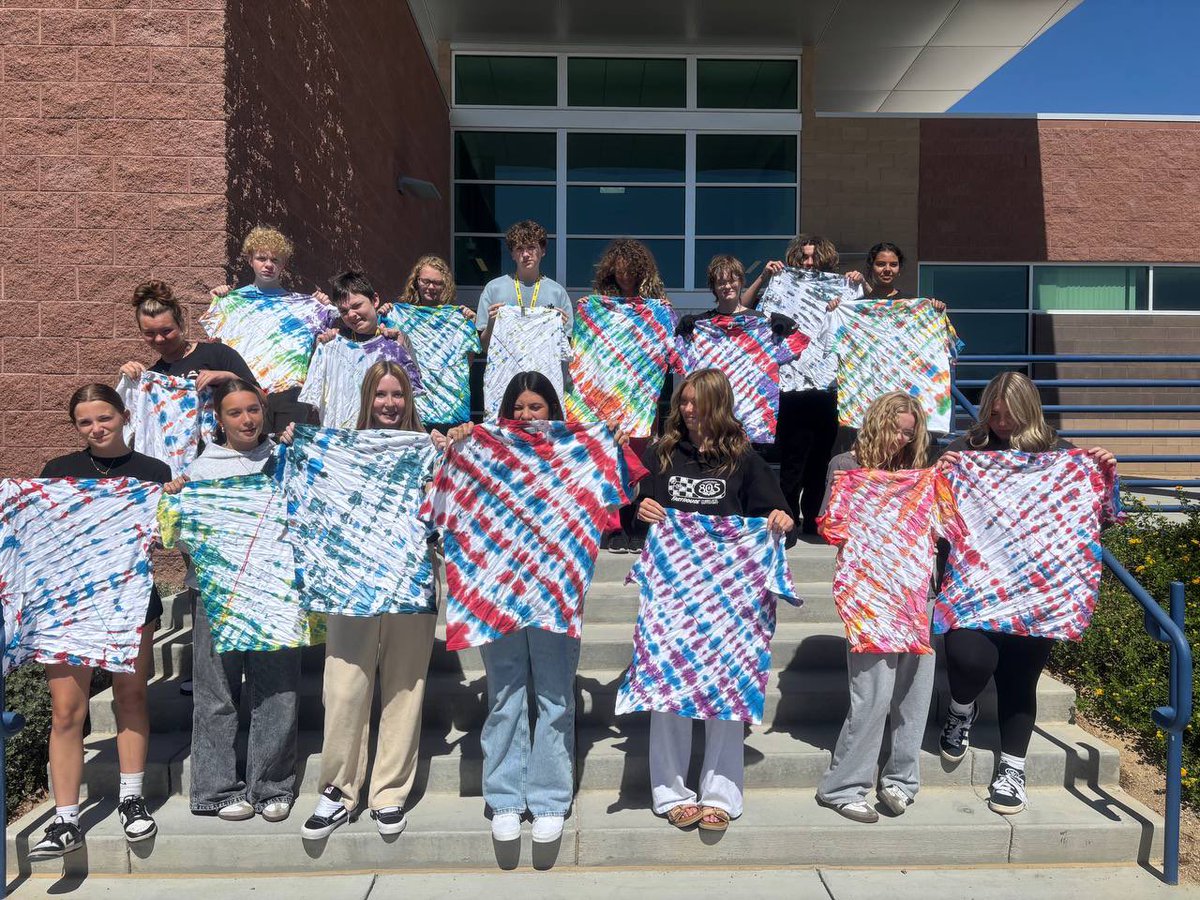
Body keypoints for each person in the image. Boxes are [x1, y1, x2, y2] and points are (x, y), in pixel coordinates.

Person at [443, 371, 628, 845]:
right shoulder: (480, 450)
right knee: (504, 697)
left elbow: (612, 499)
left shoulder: (576, 454)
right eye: (519, 408)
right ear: (506, 411)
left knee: (555, 696)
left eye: (537, 408)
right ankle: (504, 797)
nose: (527, 416)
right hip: (495, 592)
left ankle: (549, 798)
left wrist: (608, 444)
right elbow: (443, 501)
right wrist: (458, 441)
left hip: (554, 591)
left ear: (553, 412)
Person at [936, 371, 1116, 815]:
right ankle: (961, 709)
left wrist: (1105, 474)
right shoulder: (965, 451)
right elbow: (935, 510)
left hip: (1039, 590)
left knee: (1020, 679)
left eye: (1008, 415)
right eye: (993, 414)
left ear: (1029, 410)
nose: (1000, 423)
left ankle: (1013, 768)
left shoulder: (1061, 455)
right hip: (975, 583)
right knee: (967, 657)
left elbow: (1103, 516)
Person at [635, 368, 794, 832]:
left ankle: (721, 793)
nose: (687, 410)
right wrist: (639, 511)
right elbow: (632, 517)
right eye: (683, 401)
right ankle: (670, 792)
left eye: (696, 402)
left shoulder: (743, 460)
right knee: (669, 689)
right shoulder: (661, 454)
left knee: (726, 691)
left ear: (717, 405)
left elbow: (776, 515)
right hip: (671, 593)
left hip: (728, 598)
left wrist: (782, 521)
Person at [299, 360, 439, 840]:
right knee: (343, 689)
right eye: (380, 395)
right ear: (366, 398)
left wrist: (450, 453)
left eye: (397, 395)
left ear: (409, 400)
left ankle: (389, 793)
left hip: (410, 581)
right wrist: (294, 451)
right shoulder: (339, 451)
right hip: (349, 584)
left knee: (405, 688)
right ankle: (338, 791)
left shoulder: (426, 450)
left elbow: (443, 511)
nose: (389, 404)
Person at [29, 384, 169, 860]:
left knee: (131, 696)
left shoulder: (154, 473)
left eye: (104, 418)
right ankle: (65, 819)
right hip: (69, 609)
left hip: (130, 603)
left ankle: (132, 798)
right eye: (85, 422)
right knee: (68, 711)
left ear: (124, 415)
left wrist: (175, 505)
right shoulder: (56, 473)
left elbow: (167, 542)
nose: (96, 428)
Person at [164, 379, 301, 823]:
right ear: (218, 421)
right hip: (216, 594)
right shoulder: (201, 471)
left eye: (253, 410)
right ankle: (215, 788)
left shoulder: (286, 462)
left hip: (276, 593)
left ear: (264, 411)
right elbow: (181, 541)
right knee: (217, 691)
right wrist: (175, 505)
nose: (247, 420)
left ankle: (272, 786)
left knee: (277, 688)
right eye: (235, 413)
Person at [814, 392, 947, 823]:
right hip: (869, 595)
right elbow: (830, 527)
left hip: (918, 591)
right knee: (872, 694)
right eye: (896, 429)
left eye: (910, 433)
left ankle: (901, 781)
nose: (902, 440)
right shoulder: (846, 467)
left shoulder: (924, 472)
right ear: (875, 423)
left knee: (914, 693)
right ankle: (843, 785)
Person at [740, 236, 860, 539]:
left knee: (821, 457)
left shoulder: (842, 286)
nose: (809, 263)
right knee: (793, 458)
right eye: (804, 257)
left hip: (827, 386)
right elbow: (743, 306)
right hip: (790, 385)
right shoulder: (782, 284)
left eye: (814, 258)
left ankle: (812, 520)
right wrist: (766, 276)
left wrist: (859, 286)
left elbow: (865, 316)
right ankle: (788, 515)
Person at [590, 238, 671, 553]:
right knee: (610, 461)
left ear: (641, 272)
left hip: (639, 397)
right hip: (606, 397)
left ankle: (637, 522)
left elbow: (666, 352)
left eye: (630, 272)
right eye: (619, 272)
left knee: (638, 463)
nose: (624, 277)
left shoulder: (656, 309)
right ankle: (613, 527)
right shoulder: (598, 306)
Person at [207, 226, 329, 432]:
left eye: (275, 260)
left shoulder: (307, 306)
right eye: (262, 258)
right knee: (251, 455)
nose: (268, 265)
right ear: (250, 260)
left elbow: (323, 345)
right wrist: (219, 301)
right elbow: (216, 347)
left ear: (284, 265)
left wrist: (321, 305)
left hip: (290, 394)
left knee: (288, 454)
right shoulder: (230, 303)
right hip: (246, 390)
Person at [119, 280, 257, 391]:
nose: (159, 339)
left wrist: (229, 378)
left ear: (181, 324)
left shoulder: (218, 354)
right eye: (150, 333)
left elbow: (262, 400)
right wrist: (127, 383)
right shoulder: (153, 377)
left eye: (166, 331)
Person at [475, 220, 573, 353]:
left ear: (542, 251)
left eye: (531, 247)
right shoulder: (493, 289)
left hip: (544, 372)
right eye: (519, 249)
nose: (526, 254)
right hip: (506, 372)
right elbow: (484, 348)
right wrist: (492, 323)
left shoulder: (557, 292)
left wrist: (560, 327)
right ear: (512, 254)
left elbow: (567, 350)